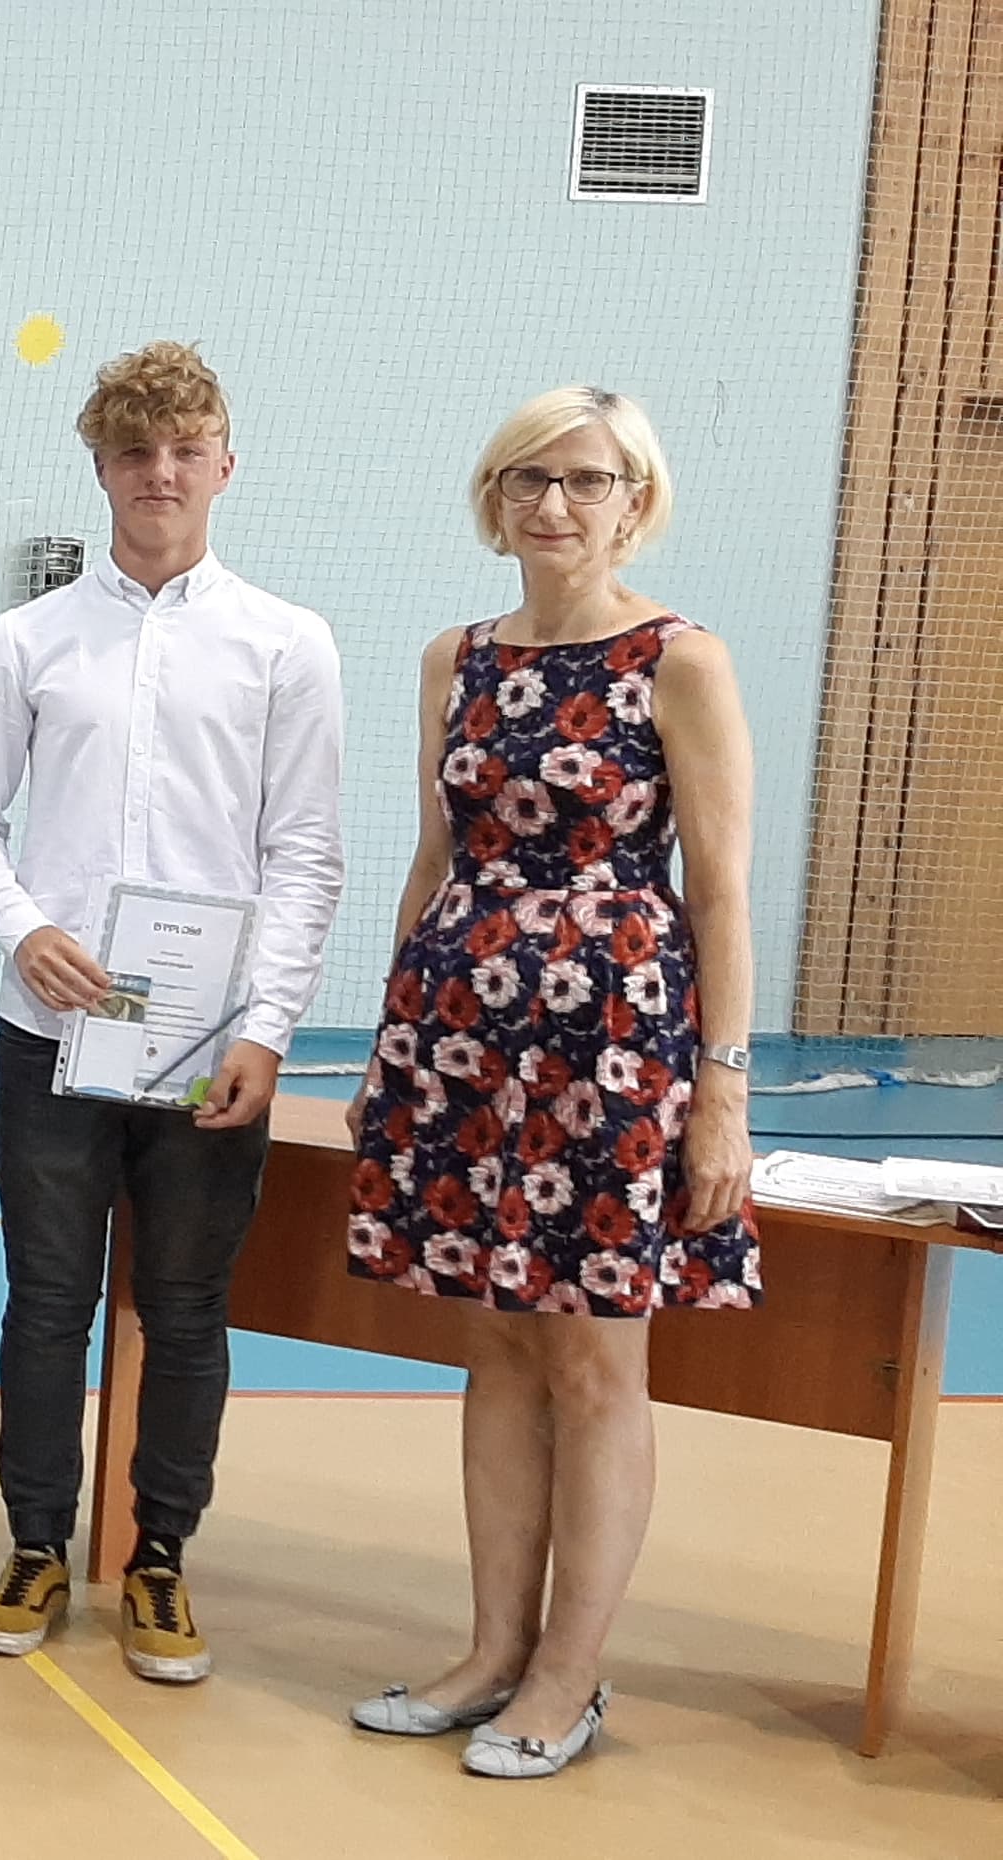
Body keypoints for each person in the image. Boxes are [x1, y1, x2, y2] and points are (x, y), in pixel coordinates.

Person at [343, 388, 756, 1780]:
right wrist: (390, 1044)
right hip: (463, 1040)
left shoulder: (679, 660)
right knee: (500, 1348)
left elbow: (723, 890)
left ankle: (569, 1677)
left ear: (636, 499)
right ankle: (489, 1652)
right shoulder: (454, 658)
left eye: (586, 480)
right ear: (495, 497)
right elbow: (434, 858)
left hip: (614, 1054)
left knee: (592, 1360)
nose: (554, 504)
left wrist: (722, 1091)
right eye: (529, 478)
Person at [0, 342, 343, 1682]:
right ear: (101, 467)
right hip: (50, 1033)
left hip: (208, 1048)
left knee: (185, 1311)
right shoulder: (26, 642)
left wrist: (268, 1026)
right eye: (133, 451)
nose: (158, 473)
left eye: (183, 450)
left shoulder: (288, 644)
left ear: (225, 465)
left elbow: (305, 853)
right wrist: (25, 928)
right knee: (46, 1305)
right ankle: (36, 1548)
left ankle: (160, 1559)